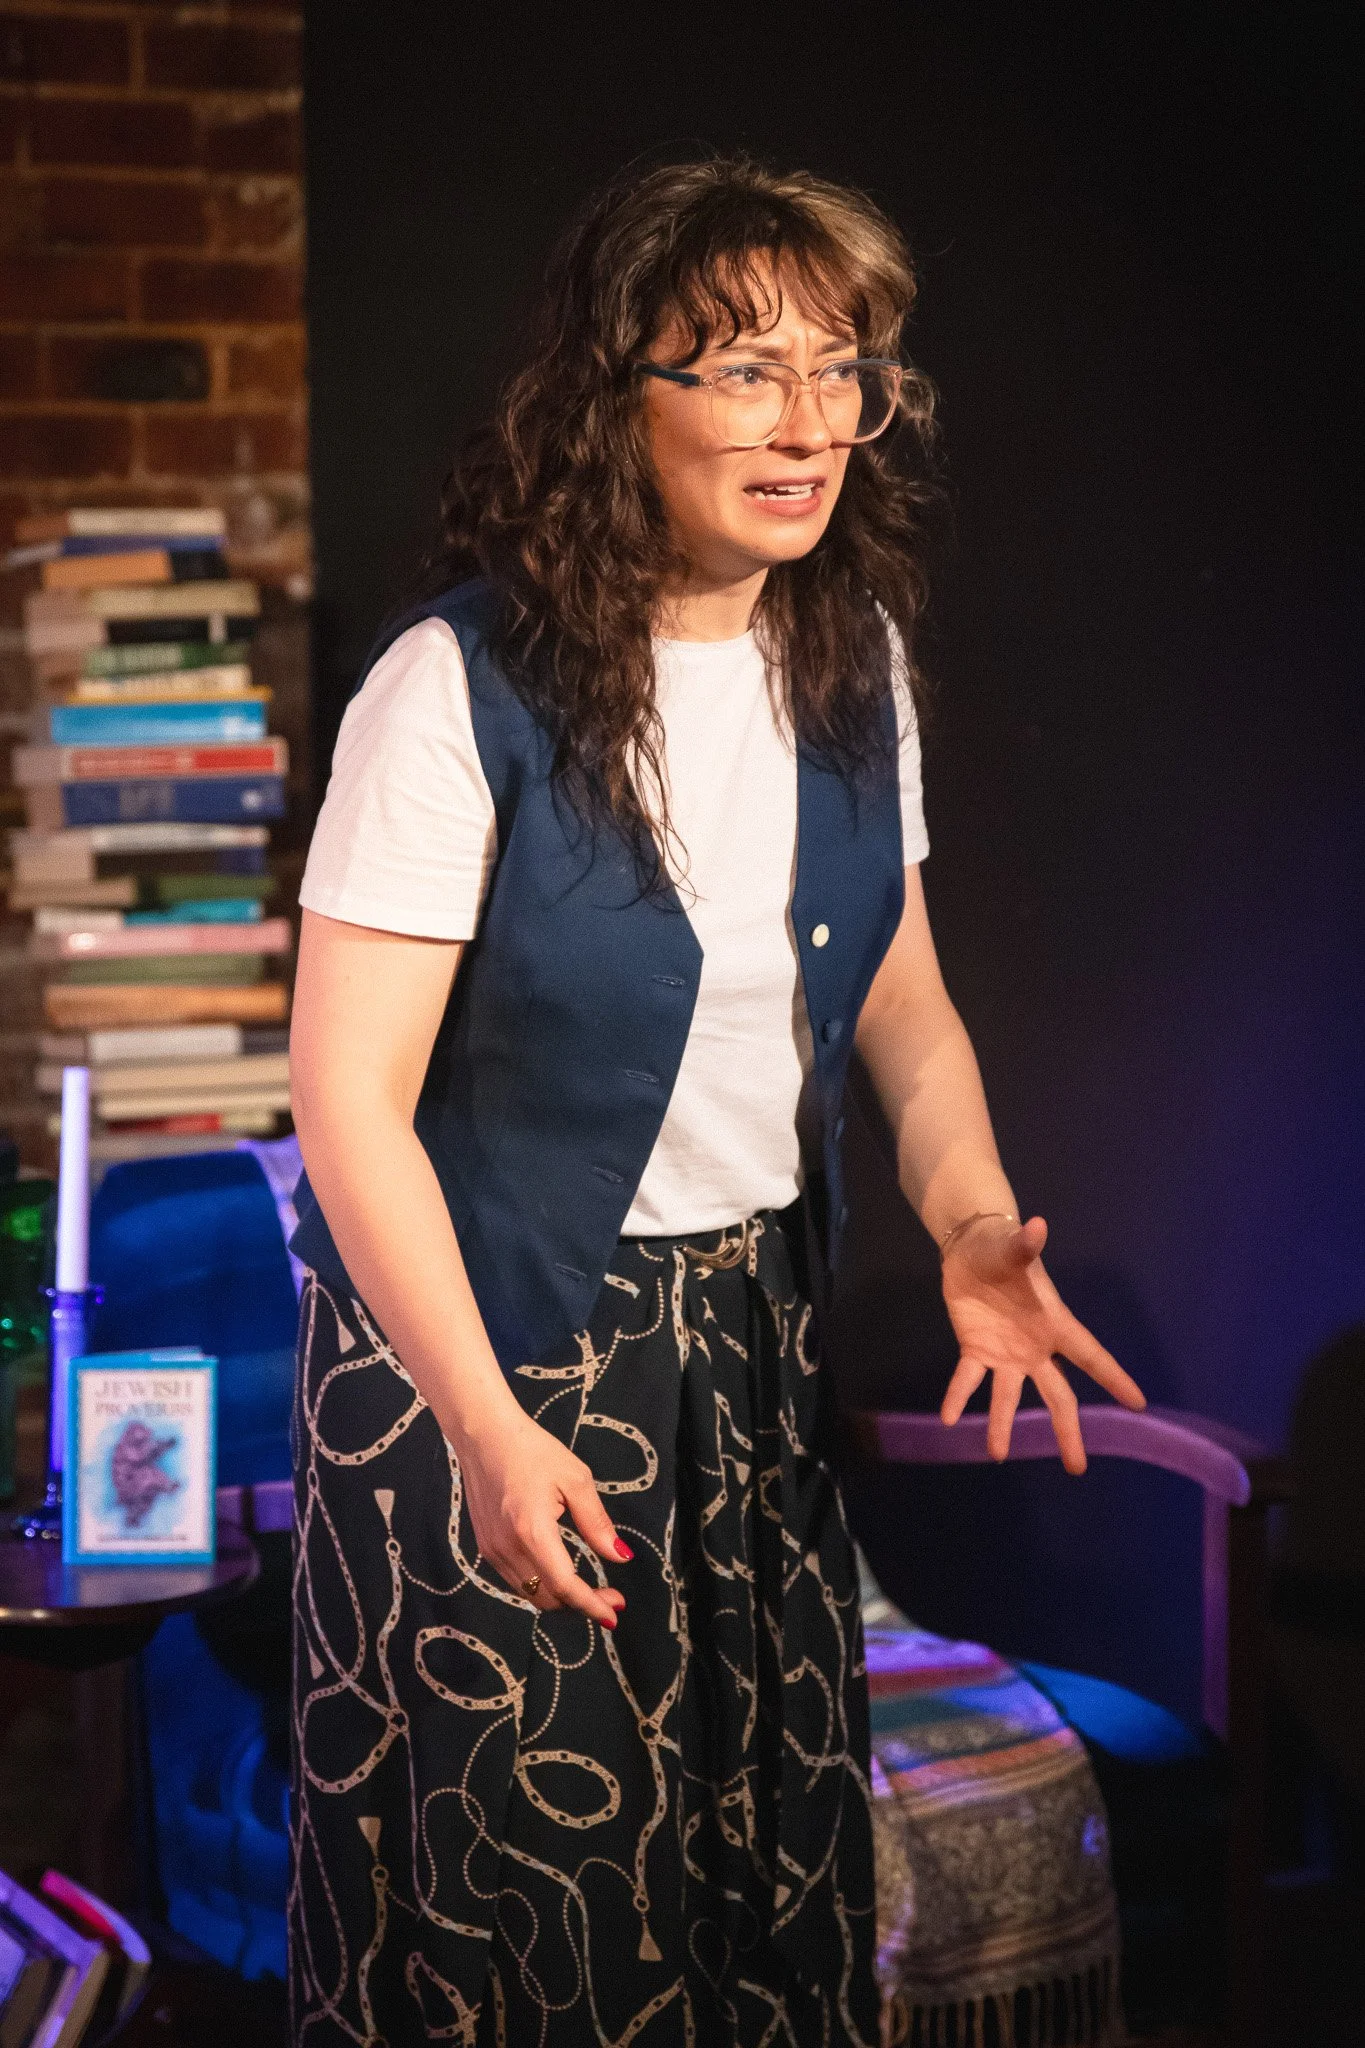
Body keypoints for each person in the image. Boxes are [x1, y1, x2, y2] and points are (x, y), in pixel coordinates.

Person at [286, 155, 1145, 2047]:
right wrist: (489, 1429)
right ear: (620, 399)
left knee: (760, 1883)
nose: (810, 422)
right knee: (539, 1916)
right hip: (487, 1347)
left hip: (744, 1334)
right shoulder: (456, 689)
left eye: (844, 371)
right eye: (749, 369)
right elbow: (345, 1104)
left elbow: (901, 1006)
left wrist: (973, 1220)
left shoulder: (849, 665)